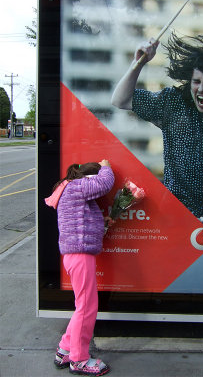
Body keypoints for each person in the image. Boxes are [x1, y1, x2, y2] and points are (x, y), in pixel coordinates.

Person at [111, 33, 203, 220]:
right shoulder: (173, 103)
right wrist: (139, 62)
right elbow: (120, 99)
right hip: (176, 219)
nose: (201, 88)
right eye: (196, 81)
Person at [45, 160, 114, 376]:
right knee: (86, 308)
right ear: (88, 178)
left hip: (75, 255)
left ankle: (65, 349)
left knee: (82, 307)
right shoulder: (77, 186)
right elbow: (105, 184)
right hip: (80, 255)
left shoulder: (70, 188)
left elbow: (81, 220)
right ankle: (79, 359)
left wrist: (101, 222)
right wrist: (106, 166)